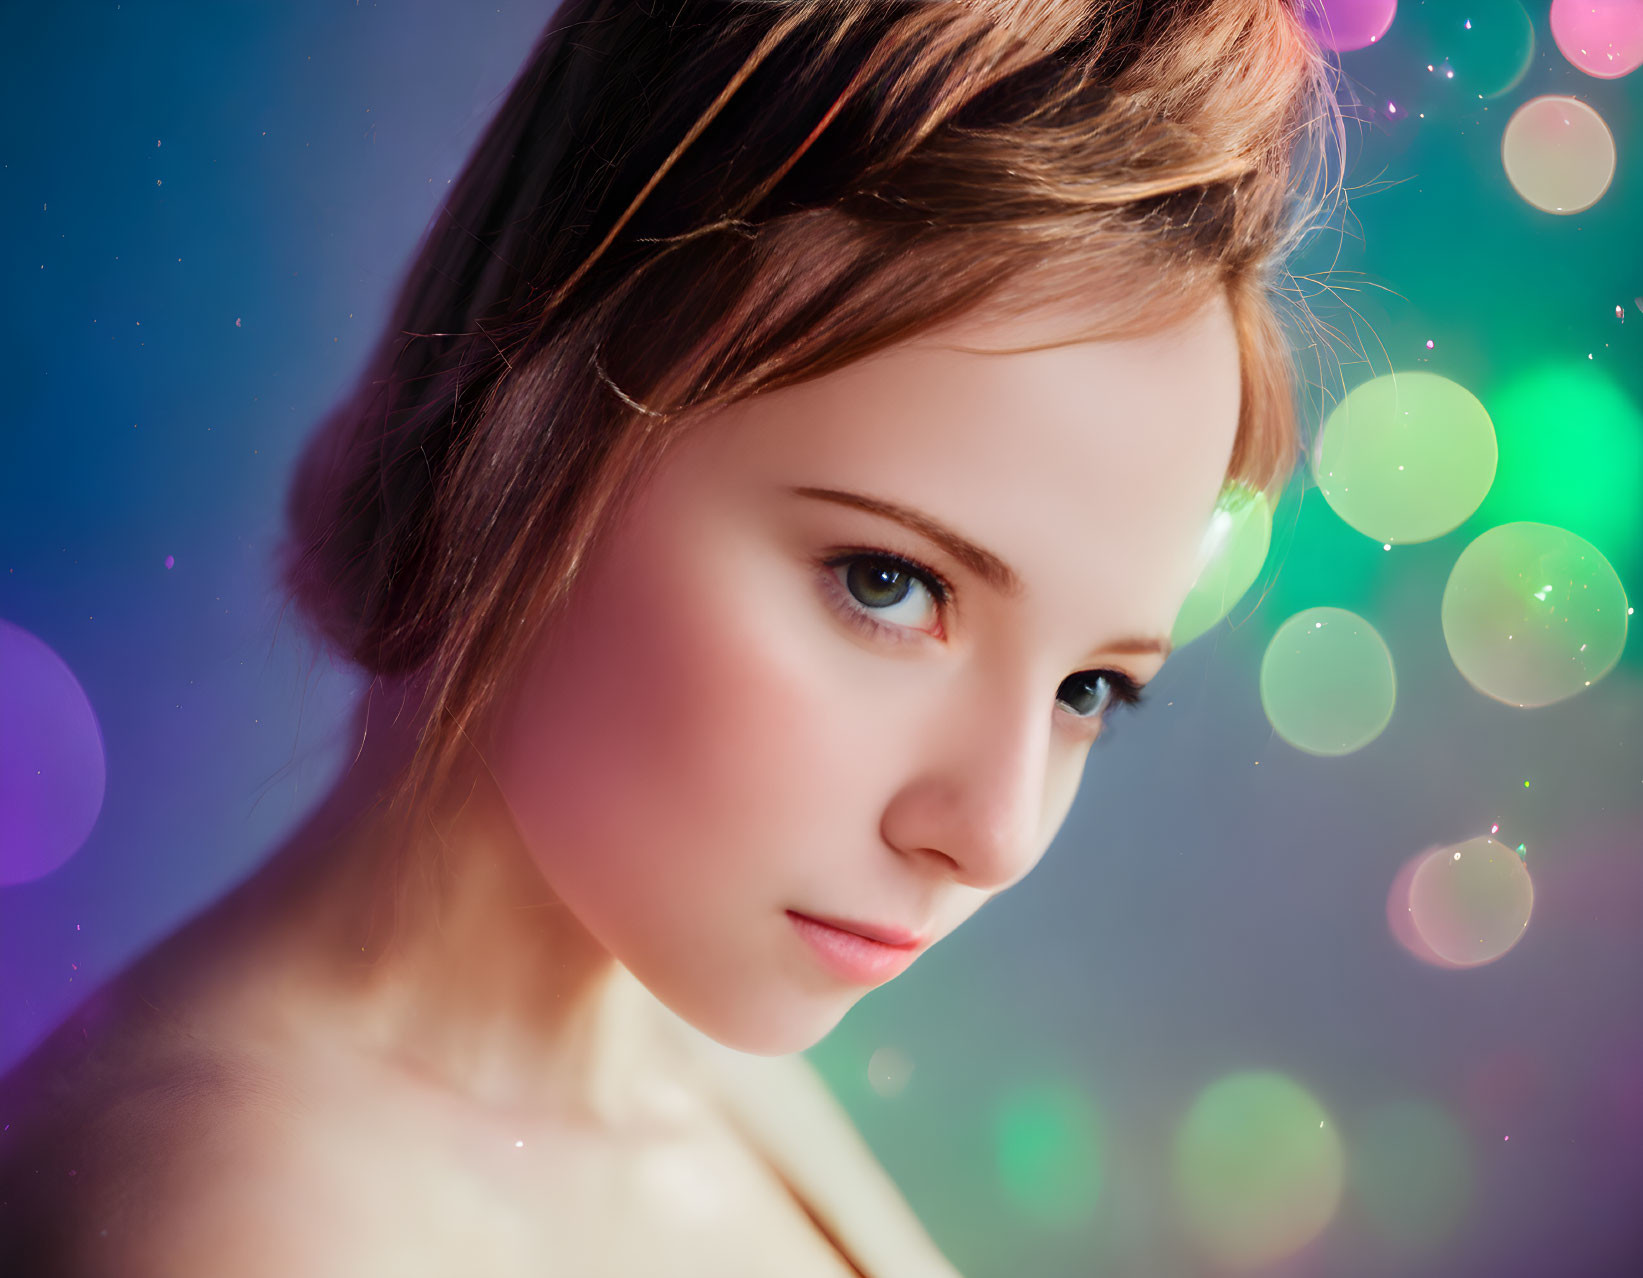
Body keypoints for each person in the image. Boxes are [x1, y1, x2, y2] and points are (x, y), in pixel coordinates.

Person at [0, 0, 1343, 1272]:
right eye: (888, 581)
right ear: (527, 417)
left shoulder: (687, 1059)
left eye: (1092, 686)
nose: (994, 833)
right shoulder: (250, 1225)